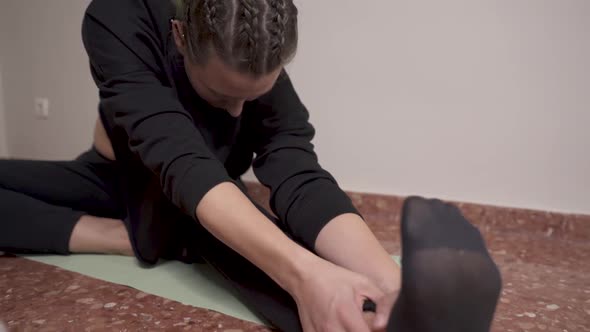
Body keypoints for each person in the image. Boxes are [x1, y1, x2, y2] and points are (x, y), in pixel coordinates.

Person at [0, 0, 502, 331]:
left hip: (206, 195)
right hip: (118, 179)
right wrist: (305, 274)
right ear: (179, 37)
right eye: (219, 94)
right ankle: (126, 237)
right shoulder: (119, 17)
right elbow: (181, 156)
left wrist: (394, 285)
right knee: (232, 227)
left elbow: (296, 170)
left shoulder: (255, 30)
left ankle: (383, 319)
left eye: (255, 95)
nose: (236, 113)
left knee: (229, 222)